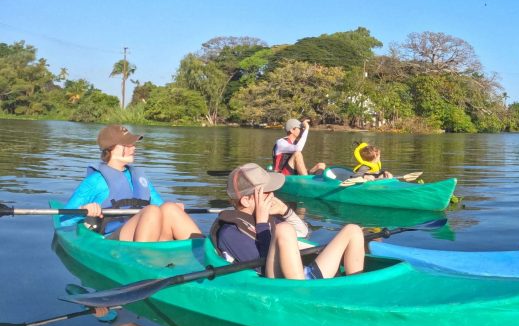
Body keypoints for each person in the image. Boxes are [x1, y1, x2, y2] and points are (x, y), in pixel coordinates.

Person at [211, 162, 365, 280]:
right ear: (246, 200)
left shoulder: (267, 217)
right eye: (267, 192)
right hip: (281, 285)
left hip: (304, 276)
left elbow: (304, 233)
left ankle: (355, 287)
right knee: (284, 229)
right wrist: (262, 225)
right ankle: (301, 296)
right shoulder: (230, 233)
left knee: (353, 230)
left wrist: (285, 211)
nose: (273, 195)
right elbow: (261, 267)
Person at [65, 124, 201, 242]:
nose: (133, 148)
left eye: (133, 144)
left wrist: (175, 207)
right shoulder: (95, 181)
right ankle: (143, 260)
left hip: (147, 235)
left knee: (170, 208)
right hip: (113, 241)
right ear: (110, 149)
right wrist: (84, 209)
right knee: (152, 211)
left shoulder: (140, 178)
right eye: (126, 145)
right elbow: (64, 220)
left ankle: (207, 254)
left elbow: (161, 207)